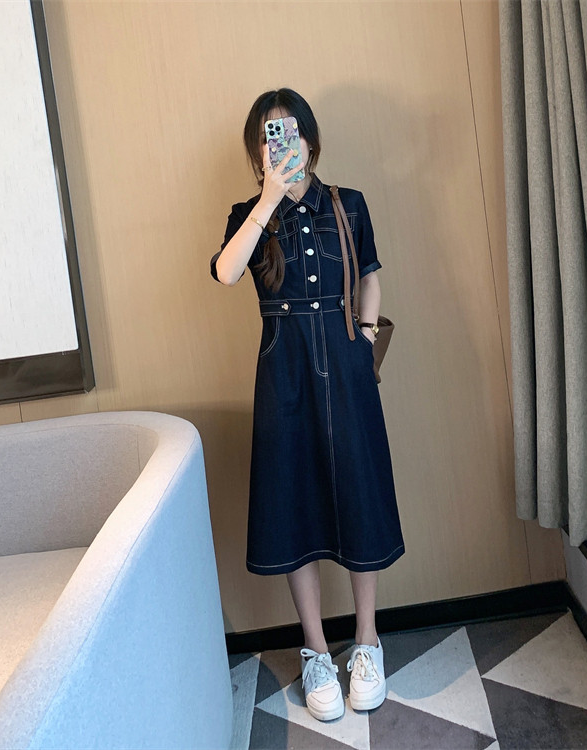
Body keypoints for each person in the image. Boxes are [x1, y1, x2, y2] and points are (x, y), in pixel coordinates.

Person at [210, 88, 404, 721]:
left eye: (289, 131)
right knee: (297, 503)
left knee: (360, 495)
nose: (281, 142)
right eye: (270, 134)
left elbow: (369, 275)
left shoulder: (348, 204)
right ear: (257, 149)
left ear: (310, 140)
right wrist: (269, 198)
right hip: (284, 371)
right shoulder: (249, 214)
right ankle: (317, 650)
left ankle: (367, 641)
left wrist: (365, 341)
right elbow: (226, 273)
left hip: (346, 367)